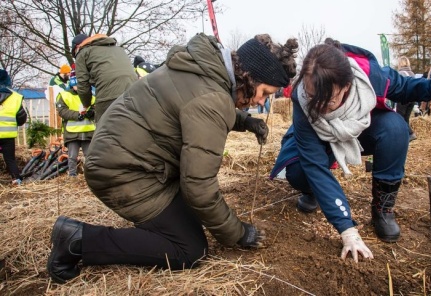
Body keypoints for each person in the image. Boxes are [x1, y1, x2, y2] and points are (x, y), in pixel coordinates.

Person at [47, 33, 298, 284]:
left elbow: (189, 104)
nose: (260, 102)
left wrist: (245, 121)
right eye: (265, 93)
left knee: (192, 219)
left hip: (127, 155)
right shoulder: (212, 97)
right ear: (250, 77)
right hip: (122, 172)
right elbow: (198, 187)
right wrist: (238, 233)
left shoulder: (200, 68)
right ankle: (77, 240)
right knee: (189, 249)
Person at [269, 38, 431, 262]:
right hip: (319, 137)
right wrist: (347, 229)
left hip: (358, 130)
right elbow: (314, 164)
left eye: (329, 101)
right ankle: (313, 191)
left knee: (395, 128)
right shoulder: (302, 100)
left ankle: (383, 208)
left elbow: (404, 87)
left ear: (347, 86)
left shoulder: (368, 76)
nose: (319, 108)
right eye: (313, 98)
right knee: (298, 171)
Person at [71, 33, 137, 123]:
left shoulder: (82, 53)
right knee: (131, 126)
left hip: (108, 96)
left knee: (104, 131)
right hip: (133, 94)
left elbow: (83, 84)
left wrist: (85, 105)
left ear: (77, 47)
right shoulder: (119, 50)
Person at [55, 76, 95, 177]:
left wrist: (92, 112)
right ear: (73, 85)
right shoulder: (64, 95)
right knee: (72, 156)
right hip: (72, 132)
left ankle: (90, 175)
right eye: (77, 85)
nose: (79, 87)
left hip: (88, 131)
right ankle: (72, 175)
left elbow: (96, 107)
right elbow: (62, 111)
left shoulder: (91, 95)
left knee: (90, 156)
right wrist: (78, 115)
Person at [0, 70, 27, 185]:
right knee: (10, 159)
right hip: (8, 135)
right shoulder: (15, 97)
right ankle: (17, 179)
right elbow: (21, 119)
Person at [395, 56, 418, 141]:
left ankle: (409, 133)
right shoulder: (412, 73)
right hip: (412, 98)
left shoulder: (400, 73)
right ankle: (408, 134)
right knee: (406, 117)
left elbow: (398, 86)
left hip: (403, 97)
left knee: (400, 117)